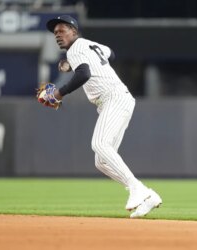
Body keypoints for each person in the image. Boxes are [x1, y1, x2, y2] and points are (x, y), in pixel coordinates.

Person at [44, 15, 162, 218]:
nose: (57, 34)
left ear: (74, 31)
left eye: (62, 29)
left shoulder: (75, 49)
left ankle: (136, 189)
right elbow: (111, 54)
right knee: (101, 161)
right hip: (119, 98)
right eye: (55, 32)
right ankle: (148, 195)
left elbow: (84, 75)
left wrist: (59, 93)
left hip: (113, 97)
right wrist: (73, 64)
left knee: (99, 144)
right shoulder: (88, 45)